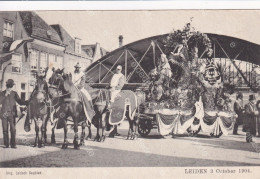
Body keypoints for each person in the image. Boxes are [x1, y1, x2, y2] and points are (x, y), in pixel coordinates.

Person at [0, 79, 28, 148]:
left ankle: (13, 144)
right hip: (4, 114)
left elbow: (19, 101)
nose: (10, 88)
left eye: (11, 86)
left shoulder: (14, 93)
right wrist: (5, 95)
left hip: (12, 114)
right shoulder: (2, 93)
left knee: (13, 129)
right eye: (9, 86)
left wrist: (27, 102)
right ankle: (6, 144)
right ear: (6, 86)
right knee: (5, 130)